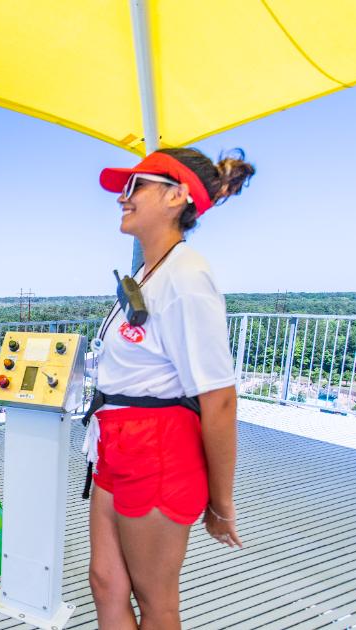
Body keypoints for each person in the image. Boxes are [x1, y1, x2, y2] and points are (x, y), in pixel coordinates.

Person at [86, 148, 254, 629]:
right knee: (105, 580)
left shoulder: (187, 277)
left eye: (137, 185)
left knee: (155, 600)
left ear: (176, 196)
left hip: (157, 447)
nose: (124, 196)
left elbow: (219, 399)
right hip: (114, 443)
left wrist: (221, 504)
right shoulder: (147, 273)